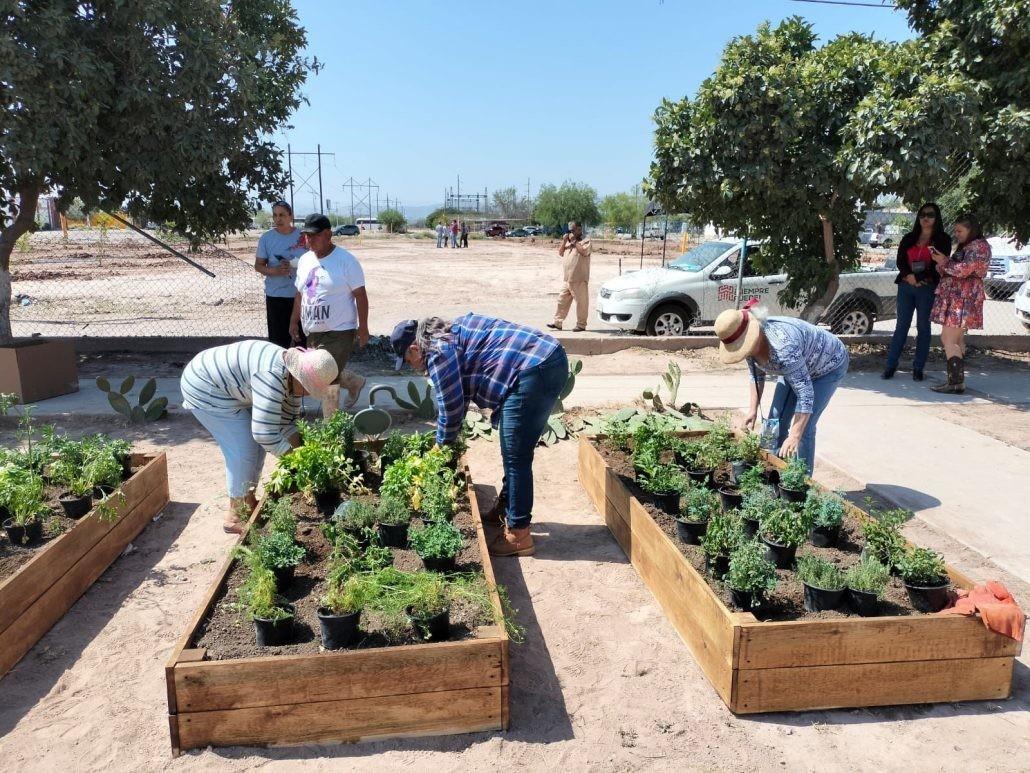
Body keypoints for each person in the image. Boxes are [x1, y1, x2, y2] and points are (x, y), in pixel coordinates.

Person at [391, 314, 568, 557]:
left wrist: (441, 446)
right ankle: (508, 509)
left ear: (414, 348)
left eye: (407, 359)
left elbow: (451, 409)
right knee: (515, 449)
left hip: (535, 368)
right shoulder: (449, 332)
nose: (411, 365)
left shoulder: (438, 352)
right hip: (547, 358)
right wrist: (446, 440)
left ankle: (519, 535)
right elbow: (459, 395)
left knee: (516, 455)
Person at [181, 341, 337, 533]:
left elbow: (286, 423)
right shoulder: (271, 377)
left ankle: (249, 501)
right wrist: (297, 463)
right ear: (300, 378)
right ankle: (234, 516)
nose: (307, 394)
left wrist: (304, 454)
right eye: (308, 389)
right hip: (204, 387)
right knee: (244, 447)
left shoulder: (291, 377)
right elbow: (264, 434)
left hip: (228, 387)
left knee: (254, 446)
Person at [718, 302, 849, 475]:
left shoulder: (784, 348)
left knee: (804, 429)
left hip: (828, 366)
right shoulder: (750, 348)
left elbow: (805, 394)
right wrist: (752, 410)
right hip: (797, 366)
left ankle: (801, 483)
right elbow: (756, 376)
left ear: (753, 335)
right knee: (775, 420)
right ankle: (773, 473)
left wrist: (794, 435)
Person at [290, 213, 369, 414]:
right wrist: (294, 321)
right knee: (317, 372)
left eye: (314, 235)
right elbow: (300, 294)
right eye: (306, 235)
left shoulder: (346, 261)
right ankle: (353, 381)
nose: (309, 240)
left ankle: (330, 422)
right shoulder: (305, 260)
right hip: (313, 331)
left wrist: (364, 329)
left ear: (328, 234)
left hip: (340, 329)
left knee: (325, 373)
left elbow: (360, 295)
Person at [882, 202, 952, 381]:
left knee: (923, 327)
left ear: (936, 218)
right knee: (901, 326)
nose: (925, 218)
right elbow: (900, 261)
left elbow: (941, 264)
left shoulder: (943, 239)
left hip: (926, 288)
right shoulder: (909, 237)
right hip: (906, 286)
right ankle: (890, 365)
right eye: (922, 215)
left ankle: (918, 368)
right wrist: (909, 275)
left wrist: (918, 278)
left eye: (930, 215)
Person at [929, 213, 991, 394]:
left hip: (962, 296)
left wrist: (943, 261)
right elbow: (952, 269)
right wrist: (943, 262)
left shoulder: (979, 247)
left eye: (960, 230)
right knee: (956, 339)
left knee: (948, 338)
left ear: (971, 230)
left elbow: (963, 270)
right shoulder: (970, 246)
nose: (957, 234)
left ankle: (955, 382)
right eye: (955, 231)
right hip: (958, 295)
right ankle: (956, 380)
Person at [255, 201, 307, 349]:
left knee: (302, 343)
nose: (278, 219)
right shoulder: (266, 238)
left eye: (282, 215)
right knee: (278, 344)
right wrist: (275, 271)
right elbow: (258, 265)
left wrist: (295, 264)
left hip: (301, 297)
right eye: (275, 215)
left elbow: (314, 262)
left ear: (291, 216)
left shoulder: (303, 237)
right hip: (276, 297)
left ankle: (302, 372)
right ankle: (279, 372)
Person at [547, 221, 592, 332]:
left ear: (579, 229)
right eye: (569, 230)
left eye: (573, 230)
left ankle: (581, 325)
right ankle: (557, 323)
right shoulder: (569, 242)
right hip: (567, 279)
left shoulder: (586, 241)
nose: (571, 232)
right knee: (561, 300)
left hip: (579, 279)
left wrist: (574, 241)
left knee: (581, 303)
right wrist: (564, 241)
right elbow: (561, 252)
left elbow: (584, 252)